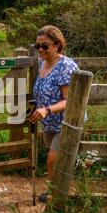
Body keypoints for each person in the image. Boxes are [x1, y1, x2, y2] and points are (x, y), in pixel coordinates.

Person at [29, 25, 79, 203]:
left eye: (45, 46)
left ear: (57, 45)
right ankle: (57, 190)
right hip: (48, 122)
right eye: (37, 46)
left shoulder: (65, 66)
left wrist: (47, 109)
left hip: (66, 122)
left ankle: (56, 198)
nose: (40, 50)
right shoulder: (44, 63)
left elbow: (70, 101)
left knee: (53, 159)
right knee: (55, 160)